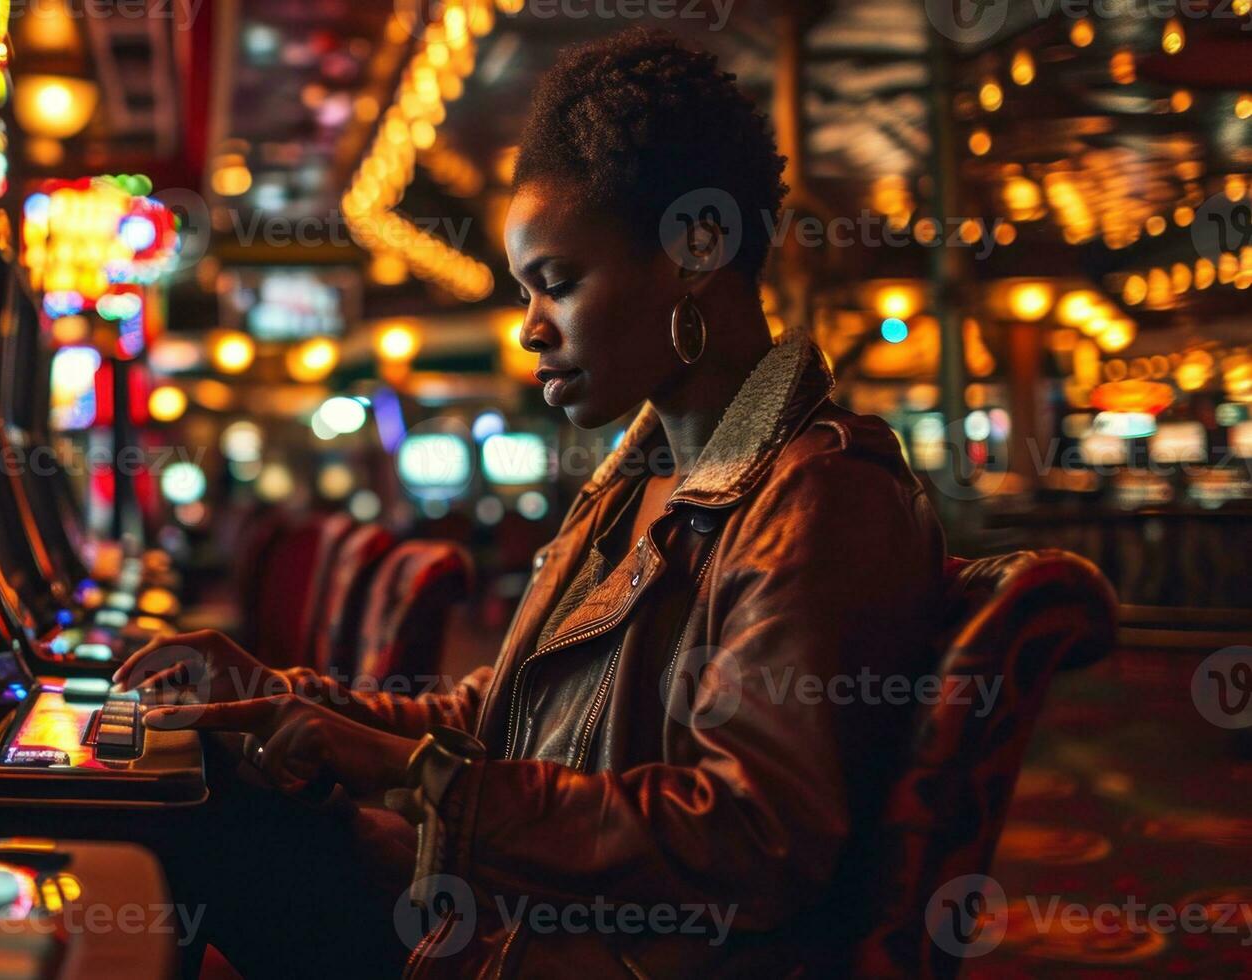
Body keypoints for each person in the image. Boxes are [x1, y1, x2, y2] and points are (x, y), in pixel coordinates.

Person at [117, 27, 947, 977]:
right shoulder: (633, 486)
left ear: (698, 247)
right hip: (524, 924)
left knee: (200, 832)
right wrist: (283, 697)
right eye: (525, 289)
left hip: (582, 954)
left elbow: (750, 844)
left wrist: (414, 774)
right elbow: (502, 714)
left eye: (557, 283)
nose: (527, 328)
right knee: (200, 789)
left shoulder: (820, 496)